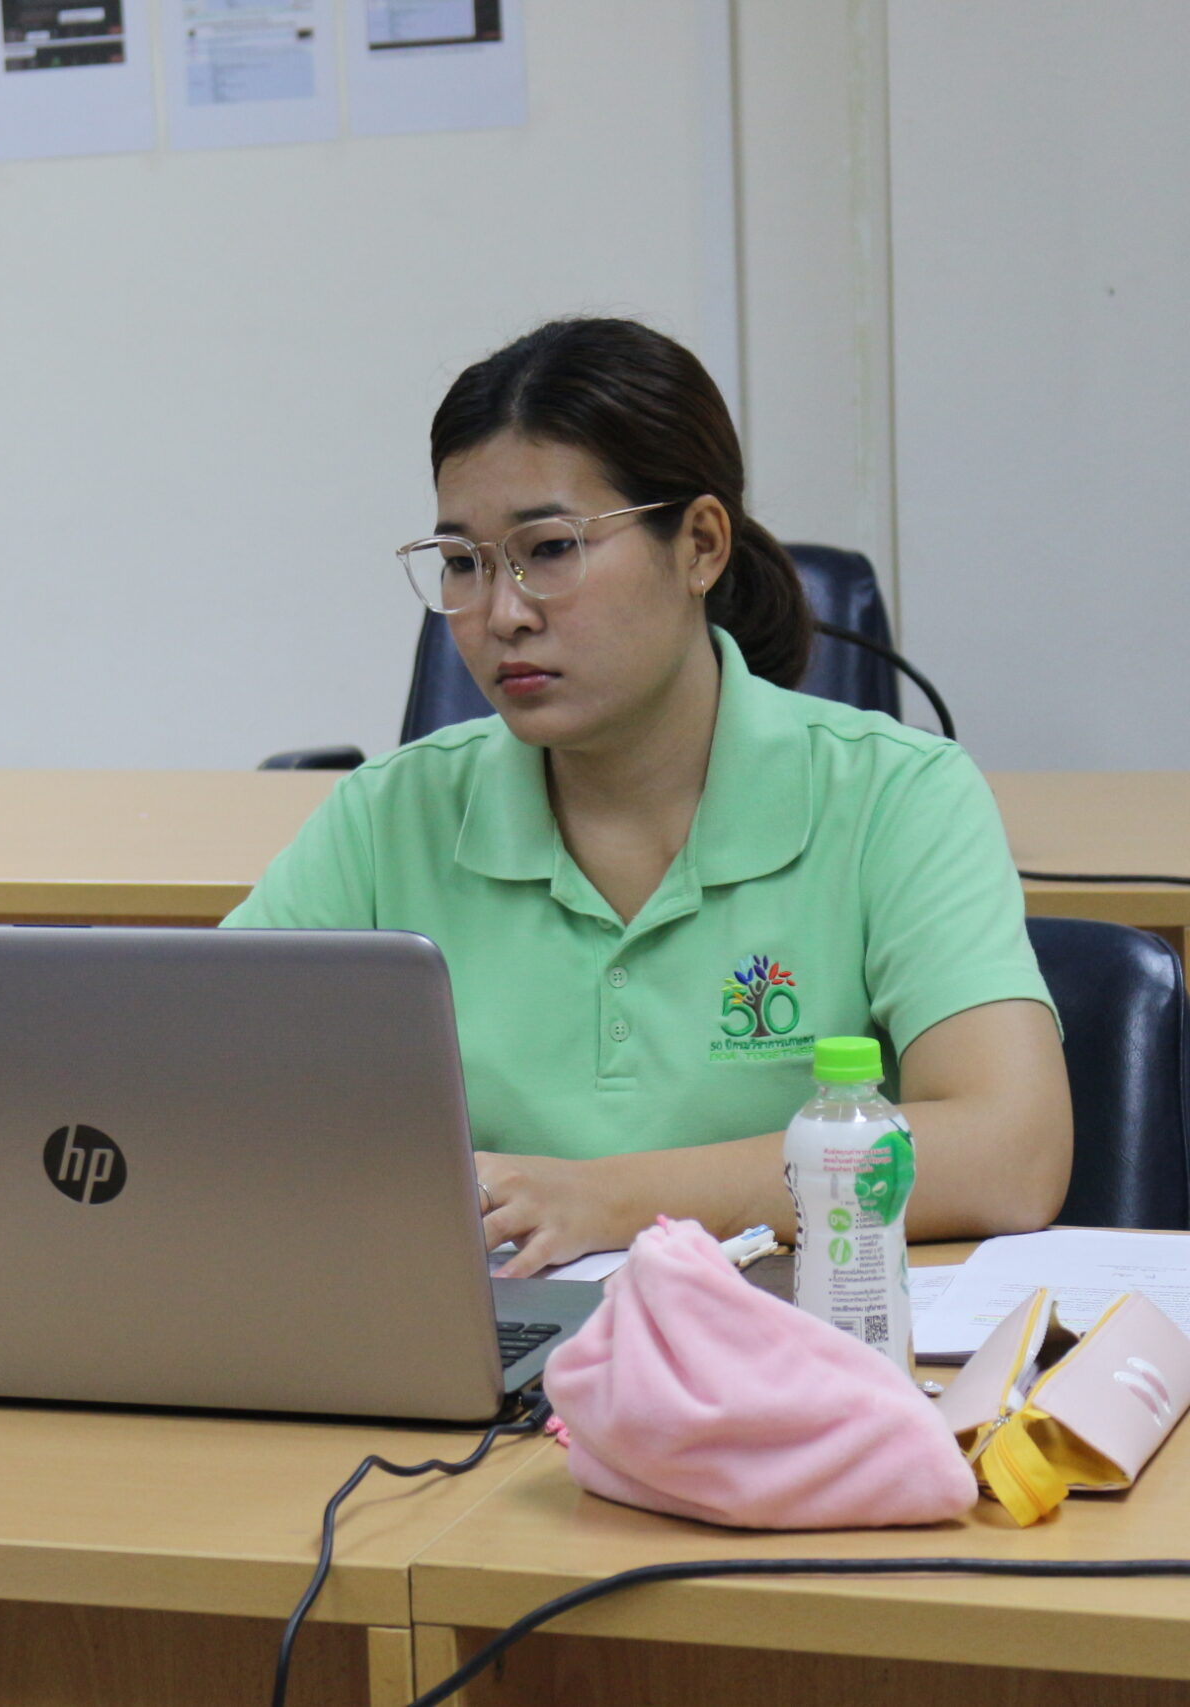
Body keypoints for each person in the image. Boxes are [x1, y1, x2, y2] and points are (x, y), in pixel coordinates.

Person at [227, 316, 1070, 1276]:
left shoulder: (896, 795)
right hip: (491, 1339)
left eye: (550, 548)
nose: (502, 612)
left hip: (789, 1339)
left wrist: (609, 1201)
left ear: (700, 544)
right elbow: (194, 1093)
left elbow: (1012, 1153)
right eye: (463, 563)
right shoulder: (391, 816)